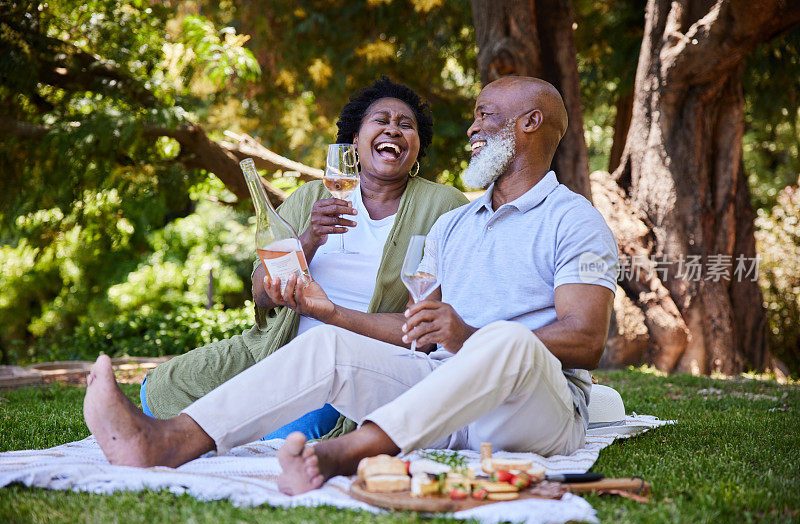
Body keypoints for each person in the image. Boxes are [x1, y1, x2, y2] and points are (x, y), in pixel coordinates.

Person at [83, 76, 619, 497]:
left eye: (486, 115)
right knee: (326, 344)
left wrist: (472, 333)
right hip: (443, 396)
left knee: (505, 339)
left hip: (534, 406)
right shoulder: (456, 224)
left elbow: (586, 340)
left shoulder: (573, 221)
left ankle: (347, 452)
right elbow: (415, 330)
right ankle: (168, 439)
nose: (473, 128)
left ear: (529, 122)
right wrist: (330, 312)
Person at [140, 77, 467, 441]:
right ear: (354, 141)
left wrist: (334, 316)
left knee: (285, 433)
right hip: (277, 350)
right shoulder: (311, 196)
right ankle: (207, 430)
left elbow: (418, 334)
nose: (394, 128)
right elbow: (262, 294)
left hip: (357, 364)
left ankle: (202, 436)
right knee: (160, 389)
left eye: (407, 125)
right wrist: (310, 239)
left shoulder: (444, 206)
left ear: (418, 147)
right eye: (381, 120)